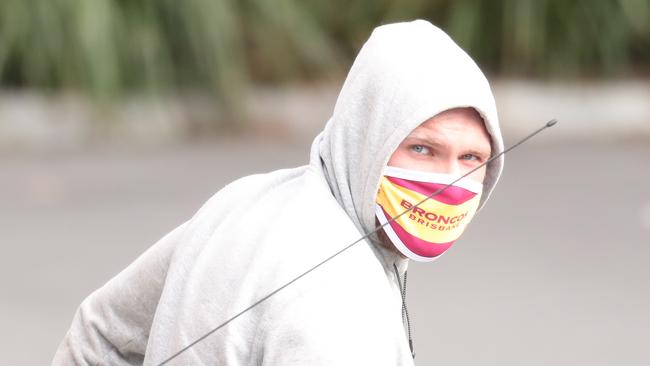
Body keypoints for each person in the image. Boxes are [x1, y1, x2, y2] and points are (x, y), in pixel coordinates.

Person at [53, 19, 503, 365]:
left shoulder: (245, 201)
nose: (449, 183)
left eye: (471, 159)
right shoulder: (342, 309)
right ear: (366, 138)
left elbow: (99, 334)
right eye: (422, 149)